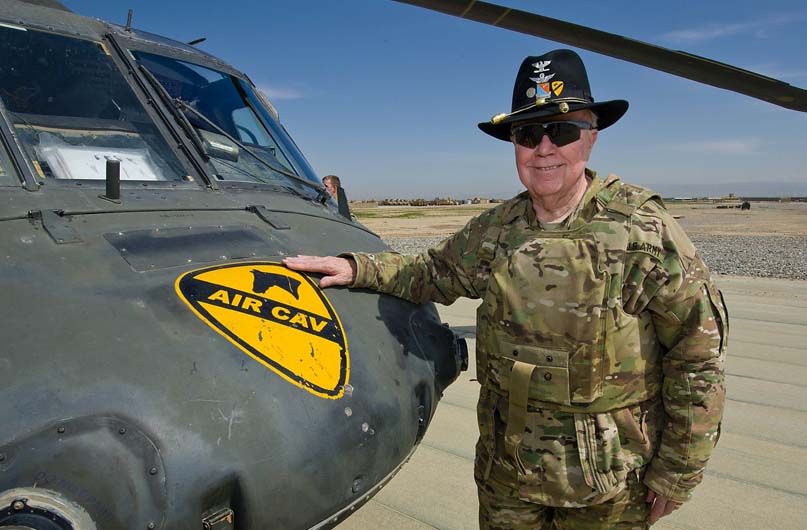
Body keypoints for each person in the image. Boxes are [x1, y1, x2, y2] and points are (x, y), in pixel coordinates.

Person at [285, 49, 727, 529]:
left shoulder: (643, 232)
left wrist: (678, 470)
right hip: (507, 478)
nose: (544, 148)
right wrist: (356, 267)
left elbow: (697, 355)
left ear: (591, 138)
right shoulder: (496, 230)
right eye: (527, 134)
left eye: (561, 130)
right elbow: (430, 271)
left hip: (608, 489)